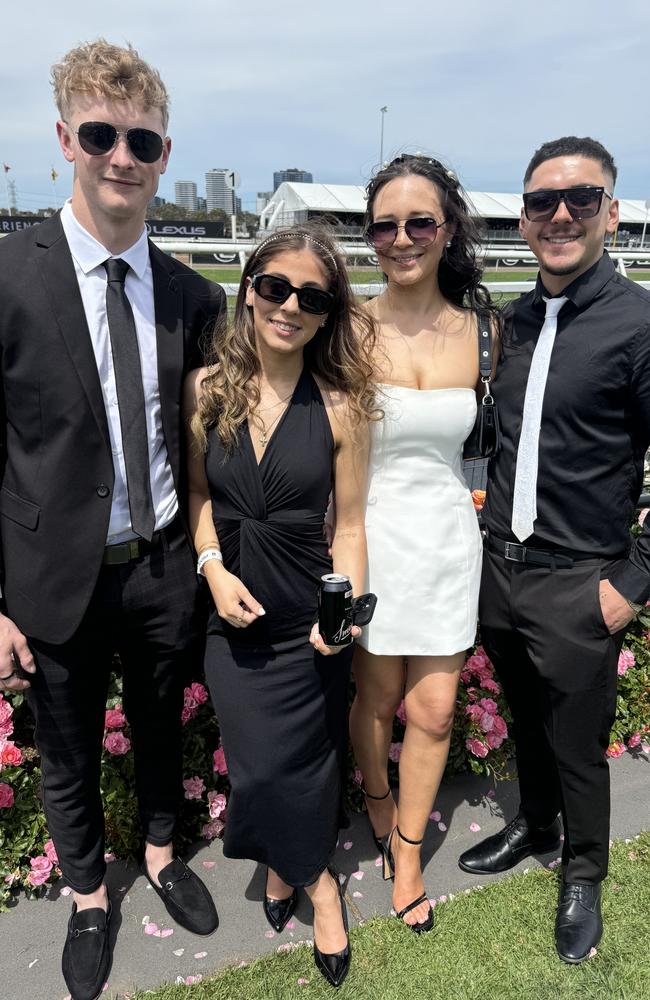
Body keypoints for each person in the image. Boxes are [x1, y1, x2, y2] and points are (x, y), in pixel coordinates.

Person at [0, 39, 224, 1000]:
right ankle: (90, 894)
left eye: (143, 140)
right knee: (68, 743)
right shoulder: (10, 279)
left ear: (164, 152)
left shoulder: (191, 294)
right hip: (53, 575)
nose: (122, 156)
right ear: (65, 141)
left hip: (164, 559)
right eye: (101, 135)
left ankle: (166, 854)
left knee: (163, 723)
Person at [458, 136, 650, 964]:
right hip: (500, 570)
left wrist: (634, 582)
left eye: (580, 199)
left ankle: (583, 870)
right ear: (526, 218)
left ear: (611, 211)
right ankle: (536, 827)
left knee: (578, 744)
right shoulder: (516, 319)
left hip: (583, 581)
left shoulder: (639, 323)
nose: (560, 215)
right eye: (543, 202)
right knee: (527, 730)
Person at [185, 225, 376, 989]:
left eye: (312, 296)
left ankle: (303, 879)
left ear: (328, 312)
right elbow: (199, 497)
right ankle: (311, 873)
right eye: (275, 287)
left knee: (307, 761)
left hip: (308, 617)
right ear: (249, 288)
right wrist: (210, 569)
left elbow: (353, 527)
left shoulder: (342, 406)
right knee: (261, 770)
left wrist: (342, 619)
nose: (290, 305)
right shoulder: (204, 389)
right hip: (233, 616)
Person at [349, 154, 500, 932]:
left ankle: (408, 852)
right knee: (375, 699)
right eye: (384, 224)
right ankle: (377, 803)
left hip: (444, 538)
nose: (401, 238)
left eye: (419, 222)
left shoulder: (485, 331)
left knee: (435, 710)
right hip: (367, 537)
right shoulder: (341, 326)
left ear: (447, 230)